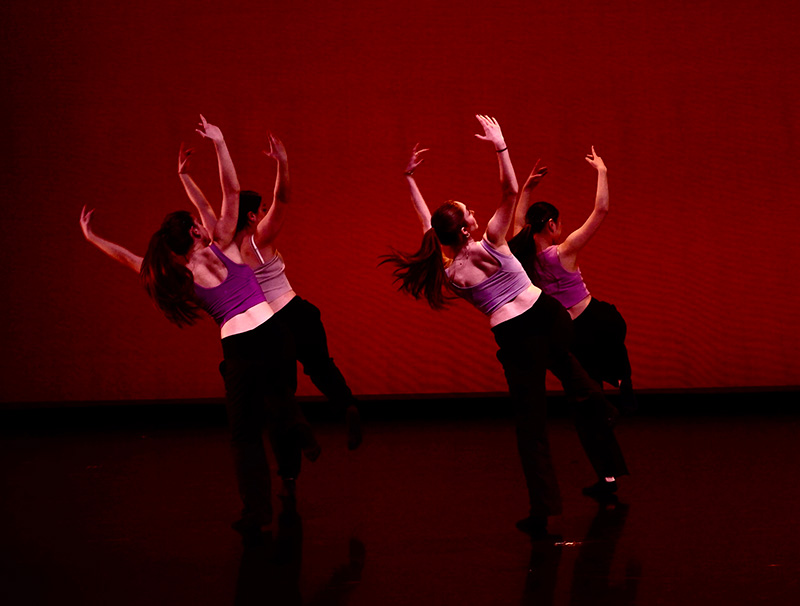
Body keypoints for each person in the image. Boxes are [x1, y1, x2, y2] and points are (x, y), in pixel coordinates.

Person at [382, 116, 627, 539]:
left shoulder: (448, 268)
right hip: (548, 319)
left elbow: (428, 224)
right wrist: (500, 145)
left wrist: (408, 180)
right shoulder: (492, 240)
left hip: (516, 339)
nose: (474, 213)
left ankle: (543, 508)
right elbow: (510, 192)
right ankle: (596, 398)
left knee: (530, 427)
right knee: (567, 365)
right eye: (467, 212)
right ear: (464, 228)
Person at [81, 116, 315, 543]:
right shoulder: (225, 241)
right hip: (273, 333)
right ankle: (297, 429)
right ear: (192, 231)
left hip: (240, 349)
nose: (202, 223)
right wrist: (220, 144)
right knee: (279, 399)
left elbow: (129, 261)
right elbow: (229, 192)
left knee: (244, 434)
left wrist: (94, 238)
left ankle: (257, 508)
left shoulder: (180, 276)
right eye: (195, 222)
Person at [177, 131, 362, 451]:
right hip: (295, 314)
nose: (263, 213)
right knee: (321, 366)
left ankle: (293, 452)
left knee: (281, 393)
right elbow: (283, 199)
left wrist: (185, 176)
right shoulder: (256, 237)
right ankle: (346, 405)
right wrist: (283, 164)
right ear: (250, 216)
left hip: (269, 329)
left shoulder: (223, 245)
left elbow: (204, 206)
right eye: (259, 210)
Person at [508, 148, 637, 412]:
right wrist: (602, 171)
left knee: (587, 375)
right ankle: (621, 377)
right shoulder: (564, 251)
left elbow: (519, 223)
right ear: (552, 224)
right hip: (592, 319)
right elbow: (601, 210)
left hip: (564, 328)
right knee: (612, 320)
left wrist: (527, 189)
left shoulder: (523, 253)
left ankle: (601, 405)